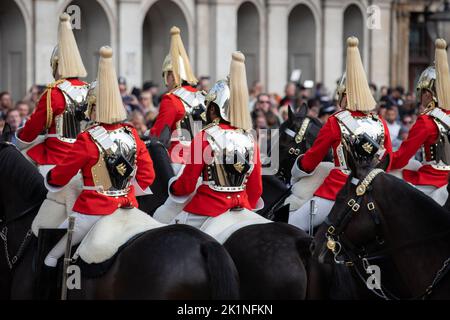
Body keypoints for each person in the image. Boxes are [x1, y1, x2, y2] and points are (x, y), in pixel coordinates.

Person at [36, 46, 155, 298]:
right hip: (128, 207)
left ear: (92, 108)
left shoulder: (88, 139)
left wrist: (51, 178)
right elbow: (148, 176)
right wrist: (122, 192)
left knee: (52, 256)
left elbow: (62, 174)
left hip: (92, 211)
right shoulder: (132, 133)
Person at [288, 37, 393, 231]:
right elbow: (389, 159)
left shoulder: (335, 122)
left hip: (338, 191)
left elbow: (312, 160)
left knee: (292, 226)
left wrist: (296, 170)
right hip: (373, 191)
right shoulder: (381, 123)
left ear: (345, 96)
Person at [159, 51, 262, 228]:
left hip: (208, 208)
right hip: (242, 206)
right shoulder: (250, 139)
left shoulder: (205, 137)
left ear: (214, 109)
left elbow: (187, 184)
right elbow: (256, 188)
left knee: (162, 223)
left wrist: (173, 187)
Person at [15, 13, 89, 173]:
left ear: (56, 65)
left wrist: (20, 136)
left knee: (15, 163)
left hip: (58, 157)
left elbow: (31, 131)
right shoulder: (90, 89)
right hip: (87, 158)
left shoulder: (53, 93)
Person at [391, 39, 450, 198]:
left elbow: (402, 157)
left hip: (432, 181)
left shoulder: (427, 121)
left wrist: (382, 159)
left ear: (428, 94)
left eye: (423, 91)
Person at [149, 26, 205, 171]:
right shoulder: (203, 96)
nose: (166, 80)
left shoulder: (171, 99)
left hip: (180, 161)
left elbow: (159, 133)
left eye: (167, 75)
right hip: (205, 160)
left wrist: (147, 134)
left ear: (172, 76)